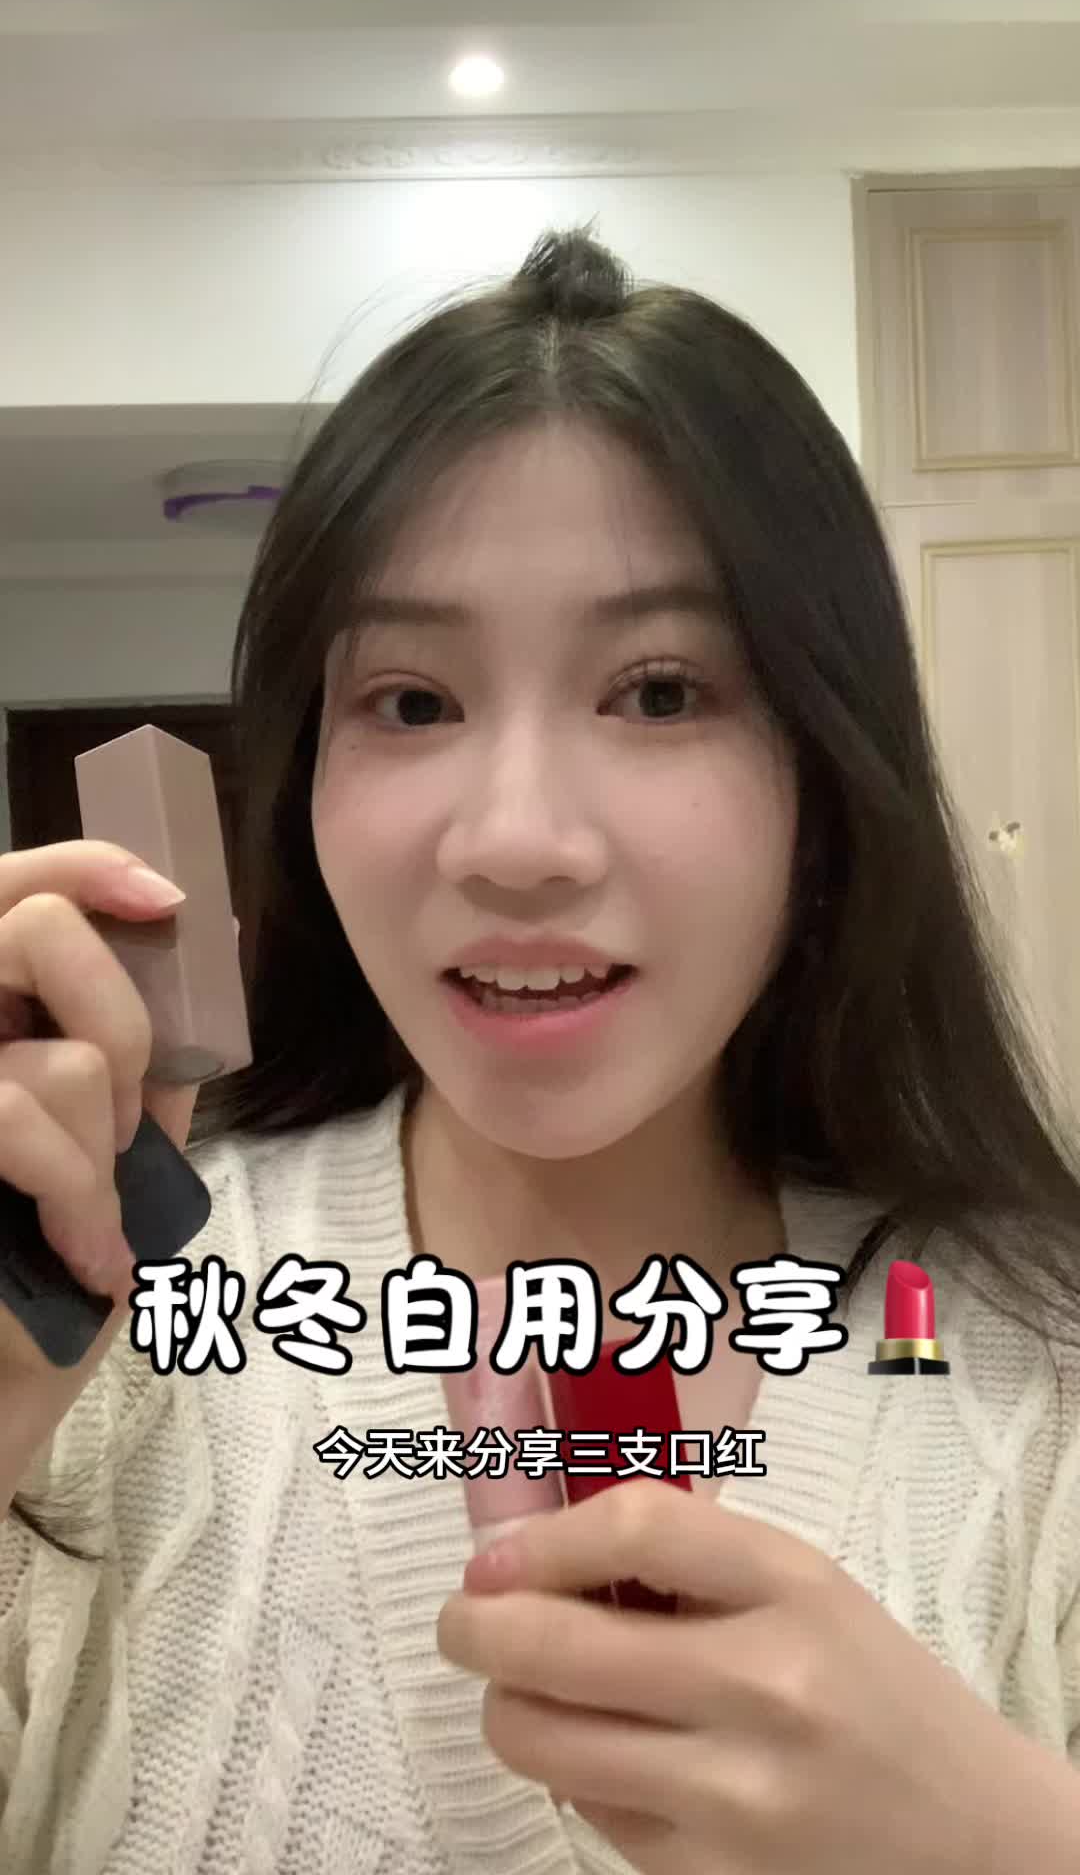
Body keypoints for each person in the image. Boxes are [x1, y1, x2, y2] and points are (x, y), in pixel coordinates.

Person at [1, 224, 1079, 1875]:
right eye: (410, 702)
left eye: (660, 691)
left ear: (826, 761)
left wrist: (1012, 1840)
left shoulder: (1038, 1371)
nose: (514, 841)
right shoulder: (109, 1346)